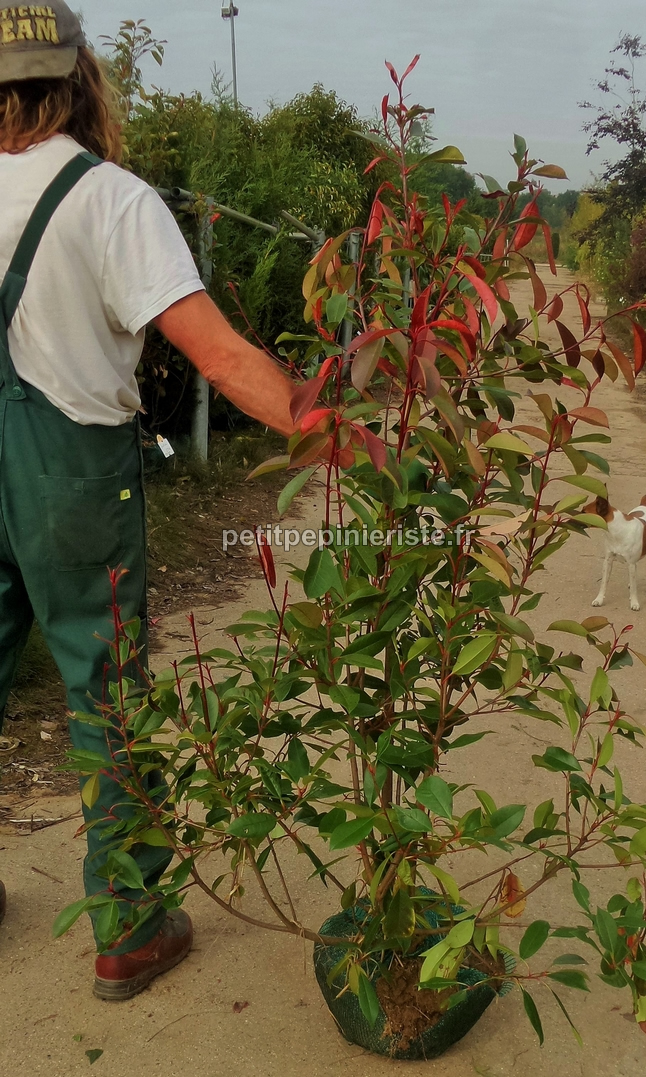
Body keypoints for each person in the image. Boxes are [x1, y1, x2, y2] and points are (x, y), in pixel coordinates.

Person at [0, 2, 300, 1000]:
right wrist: (316, 423)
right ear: (80, 77)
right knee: (107, 694)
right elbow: (213, 352)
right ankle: (127, 926)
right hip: (69, 474)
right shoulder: (109, 199)